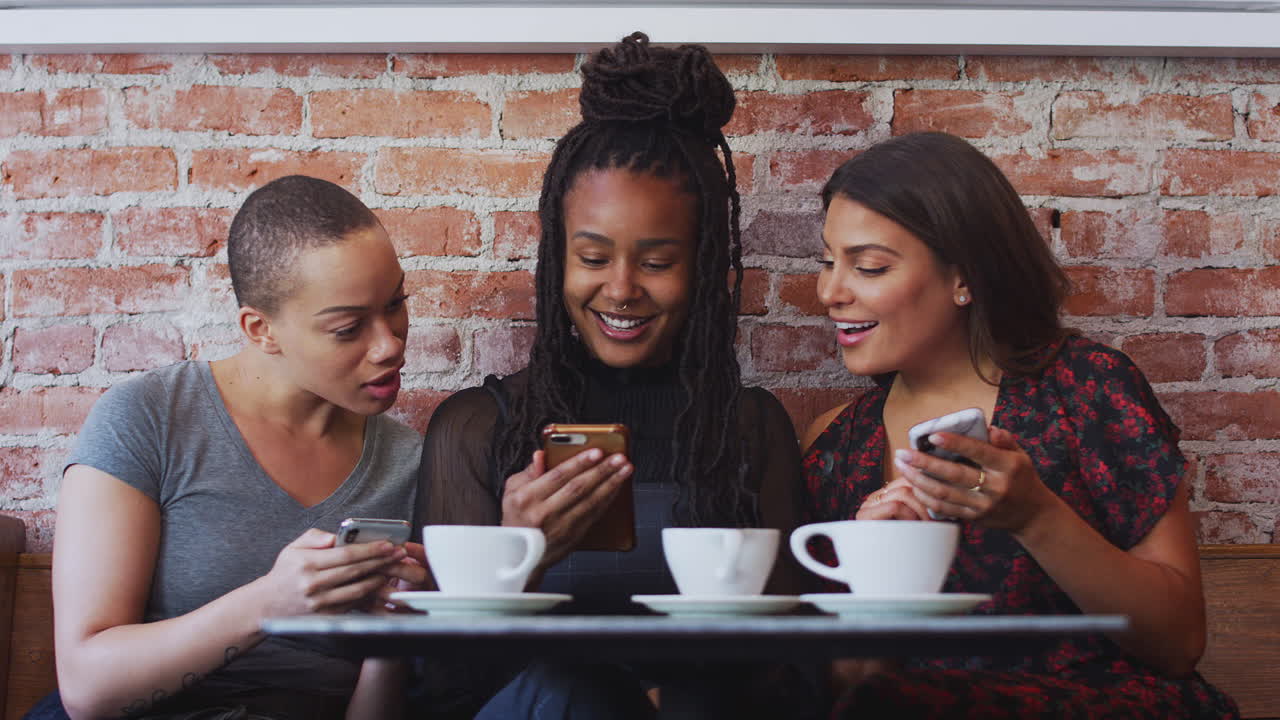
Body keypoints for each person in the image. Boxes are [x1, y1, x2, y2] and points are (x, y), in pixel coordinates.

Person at [415, 32, 816, 719]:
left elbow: (794, 673)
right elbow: (435, 689)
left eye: (657, 262)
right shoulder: (480, 429)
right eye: (594, 256)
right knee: (575, 690)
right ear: (556, 259)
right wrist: (518, 561)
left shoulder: (748, 432)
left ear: (703, 266)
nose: (621, 288)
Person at [799, 131, 1239, 718]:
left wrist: (1035, 515)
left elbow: (1179, 643)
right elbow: (846, 686)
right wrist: (881, 592)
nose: (831, 291)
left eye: (869, 267)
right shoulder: (835, 444)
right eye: (828, 262)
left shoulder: (1085, 390)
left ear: (966, 278)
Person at [42, 175, 426, 720]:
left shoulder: (408, 463)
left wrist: (393, 642)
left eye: (396, 304)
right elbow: (86, 689)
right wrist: (270, 602)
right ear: (260, 329)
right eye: (347, 328)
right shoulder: (149, 418)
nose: (390, 344)